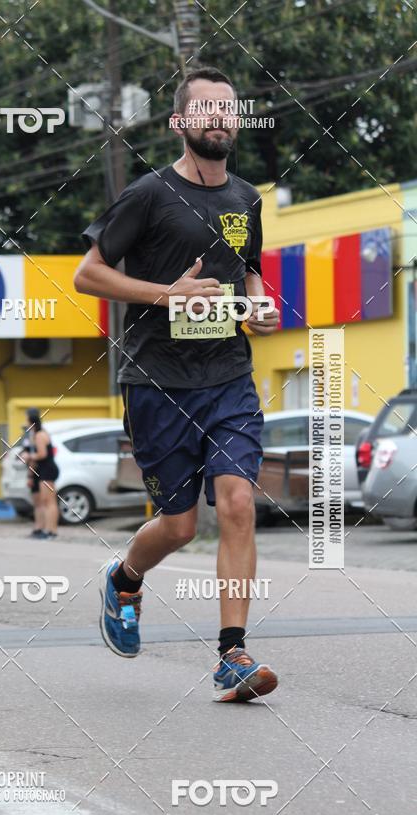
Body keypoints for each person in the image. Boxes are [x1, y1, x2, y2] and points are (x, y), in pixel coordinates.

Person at [74, 67, 281, 701]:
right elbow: (88, 275)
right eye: (206, 110)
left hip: (227, 376)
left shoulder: (246, 198)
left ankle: (232, 655)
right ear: (180, 123)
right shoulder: (149, 194)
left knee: (239, 502)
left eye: (229, 110)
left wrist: (259, 305)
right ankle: (127, 576)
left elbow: (246, 271)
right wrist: (168, 294)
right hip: (158, 380)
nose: (219, 119)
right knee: (180, 525)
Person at [21, 407, 59, 539]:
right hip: (42, 470)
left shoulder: (40, 435)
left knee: (49, 501)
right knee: (45, 501)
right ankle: (47, 529)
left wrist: (29, 456)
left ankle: (51, 531)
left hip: (48, 470)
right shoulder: (35, 435)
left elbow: (42, 454)